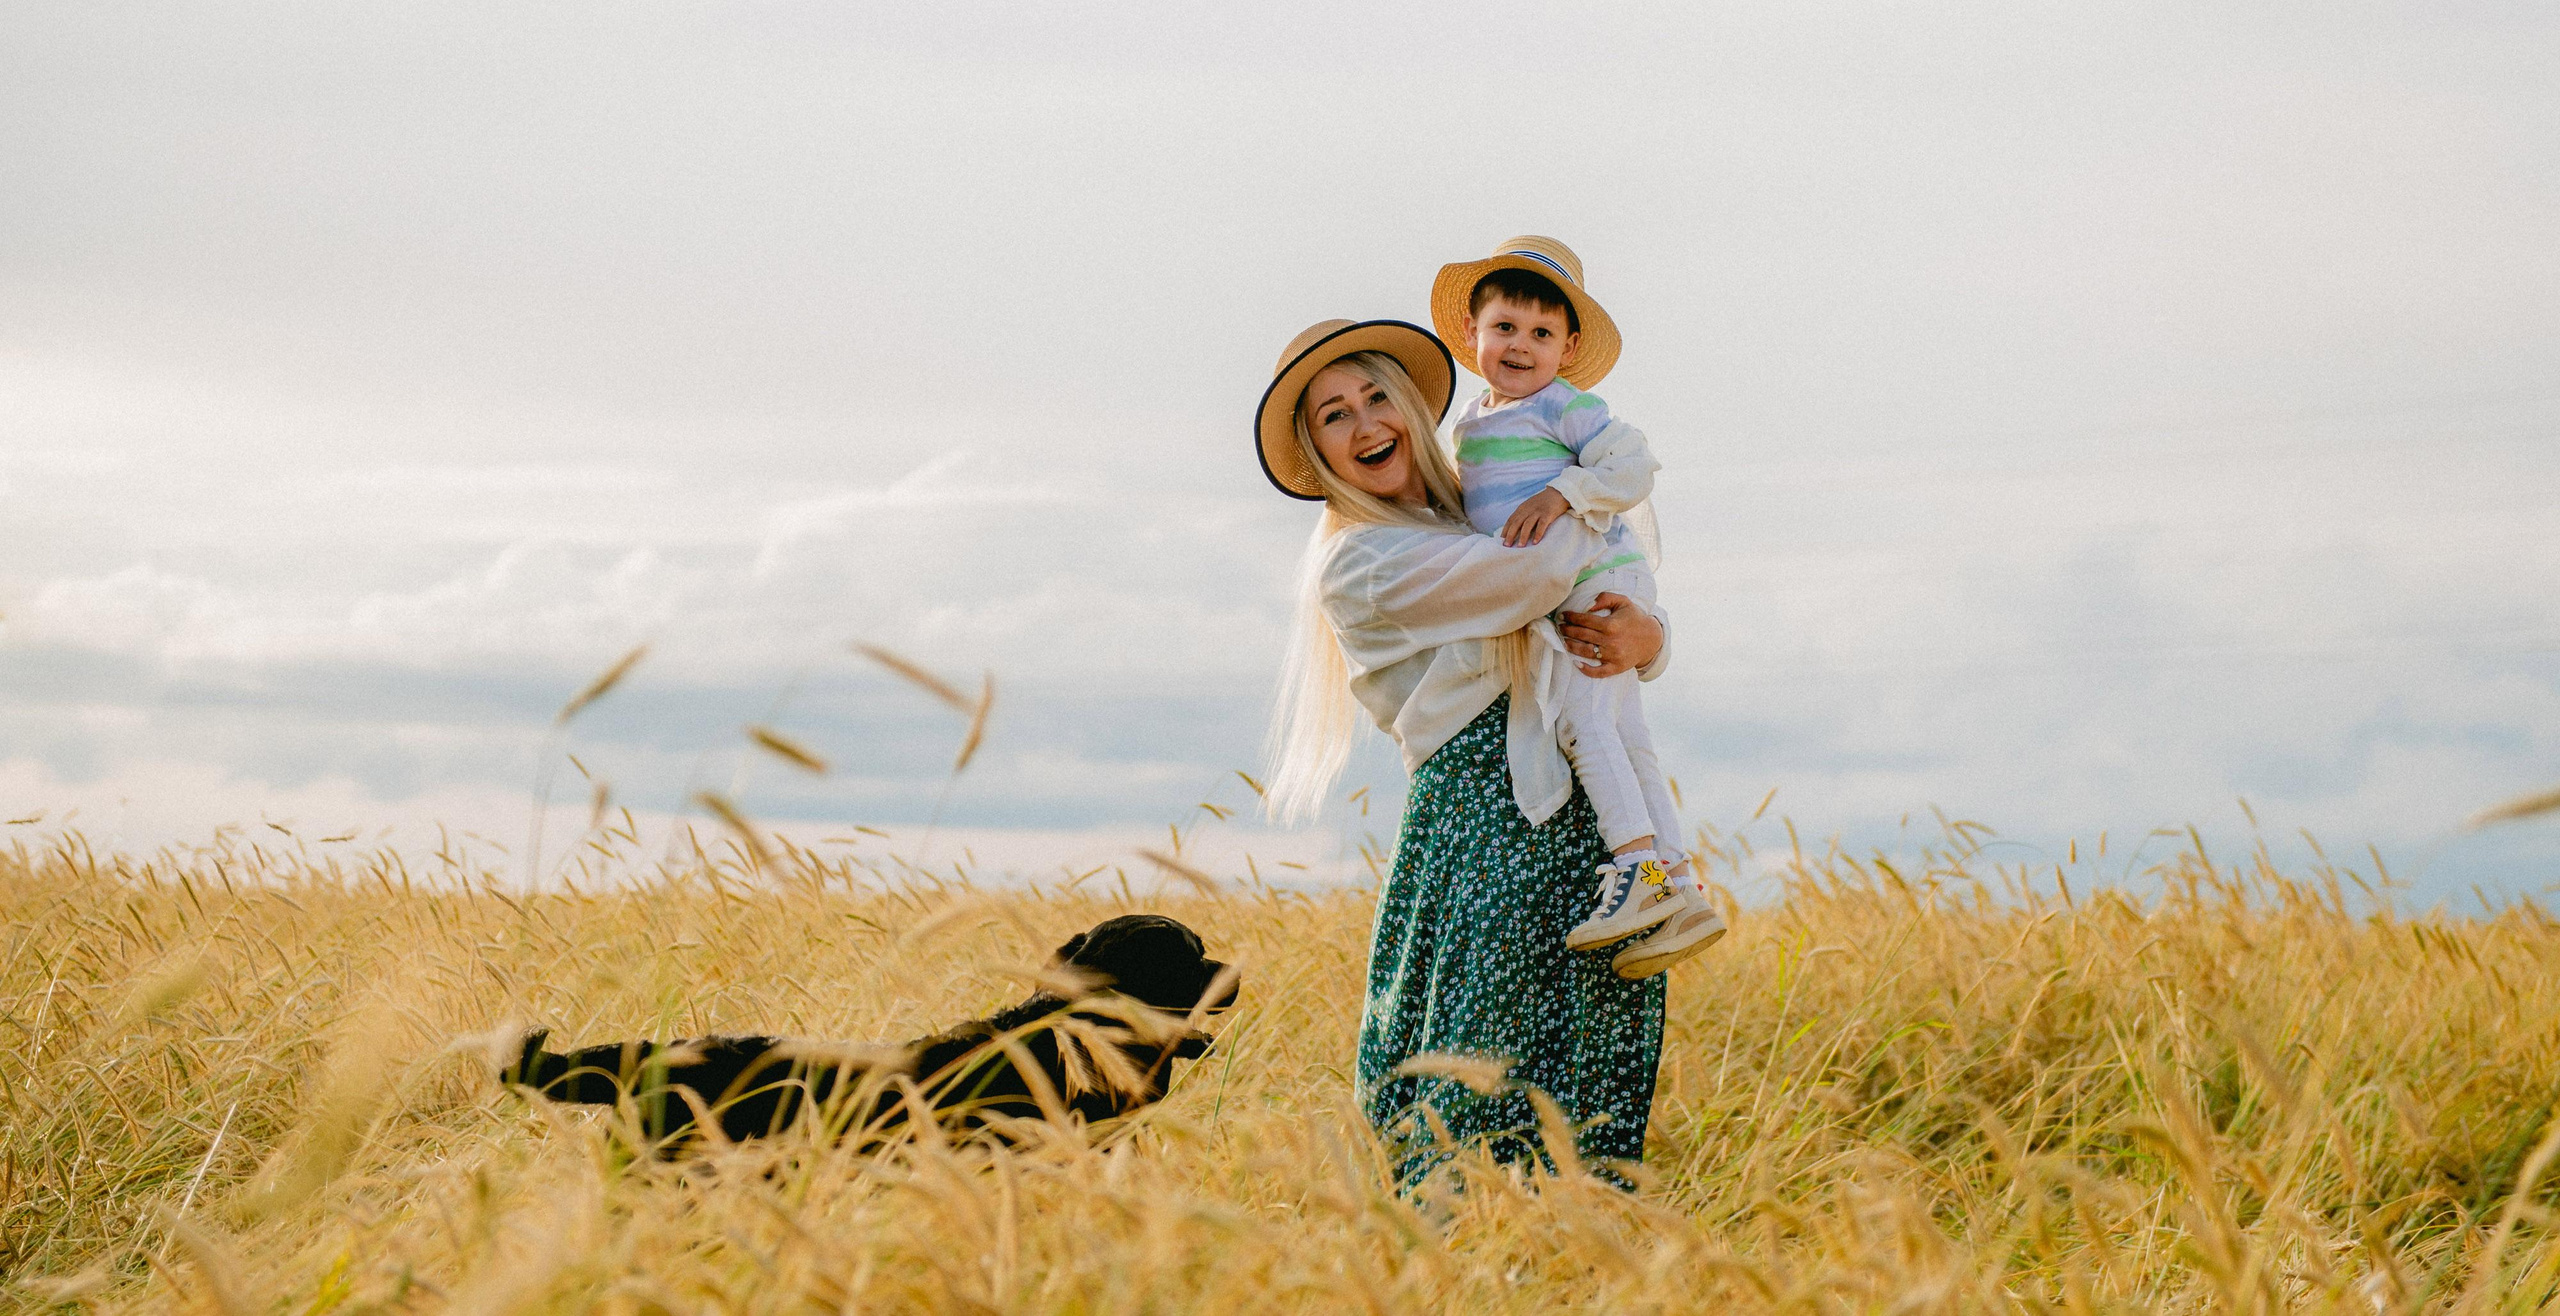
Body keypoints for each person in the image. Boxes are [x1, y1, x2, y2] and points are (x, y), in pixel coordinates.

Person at [1250, 317, 1686, 1184]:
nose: (1368, 423)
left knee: (1588, 1100)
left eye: (1379, 396)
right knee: (1472, 1103)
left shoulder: (1486, 515)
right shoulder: (1365, 559)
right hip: (1483, 837)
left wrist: (1651, 639)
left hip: (1582, 838)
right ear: (1317, 448)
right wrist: (1581, 484)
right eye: (1335, 415)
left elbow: (1600, 600)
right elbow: (1540, 580)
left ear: (1413, 408)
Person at [1428, 235, 1723, 963]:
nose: (1520, 346)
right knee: (1628, 736)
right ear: (1472, 333)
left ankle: (1636, 868)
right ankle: (1680, 884)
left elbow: (1634, 463)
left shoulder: (1565, 407)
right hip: (1582, 585)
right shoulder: (1470, 425)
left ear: (1568, 345)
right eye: (1505, 328)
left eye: (1541, 333)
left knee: (1584, 726)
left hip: (1602, 580)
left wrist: (1568, 491)